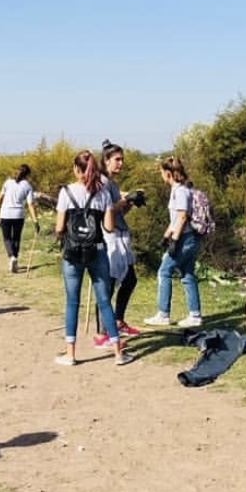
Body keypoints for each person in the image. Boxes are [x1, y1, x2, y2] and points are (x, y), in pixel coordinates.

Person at [54, 150, 135, 367]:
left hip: (72, 253)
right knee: (105, 302)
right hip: (97, 251)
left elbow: (59, 228)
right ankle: (118, 353)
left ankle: (71, 354)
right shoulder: (103, 194)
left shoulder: (66, 192)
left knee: (72, 302)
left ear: (76, 170)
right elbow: (109, 227)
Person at [92, 140, 144, 349]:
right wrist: (124, 201)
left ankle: (118, 321)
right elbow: (108, 212)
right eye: (117, 159)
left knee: (130, 279)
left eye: (122, 159)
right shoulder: (102, 183)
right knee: (108, 284)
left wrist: (131, 201)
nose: (121, 163)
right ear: (106, 161)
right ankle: (102, 331)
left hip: (121, 235)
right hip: (110, 237)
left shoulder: (112, 183)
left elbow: (119, 211)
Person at [144, 156, 204, 328]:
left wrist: (174, 240)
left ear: (168, 173)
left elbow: (183, 216)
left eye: (162, 172)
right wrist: (166, 235)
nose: (161, 175)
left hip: (184, 238)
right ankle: (195, 315)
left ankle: (163, 313)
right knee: (187, 274)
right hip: (187, 237)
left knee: (164, 271)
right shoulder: (179, 190)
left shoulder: (180, 191)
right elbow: (175, 218)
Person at [0, 164, 39, 274]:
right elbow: (31, 204)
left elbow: (1, 196)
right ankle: (15, 257)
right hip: (18, 215)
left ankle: (11, 257)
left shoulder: (8, 182)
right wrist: (35, 221)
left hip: (5, 213)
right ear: (27, 175)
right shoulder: (27, 186)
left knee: (7, 238)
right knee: (16, 238)